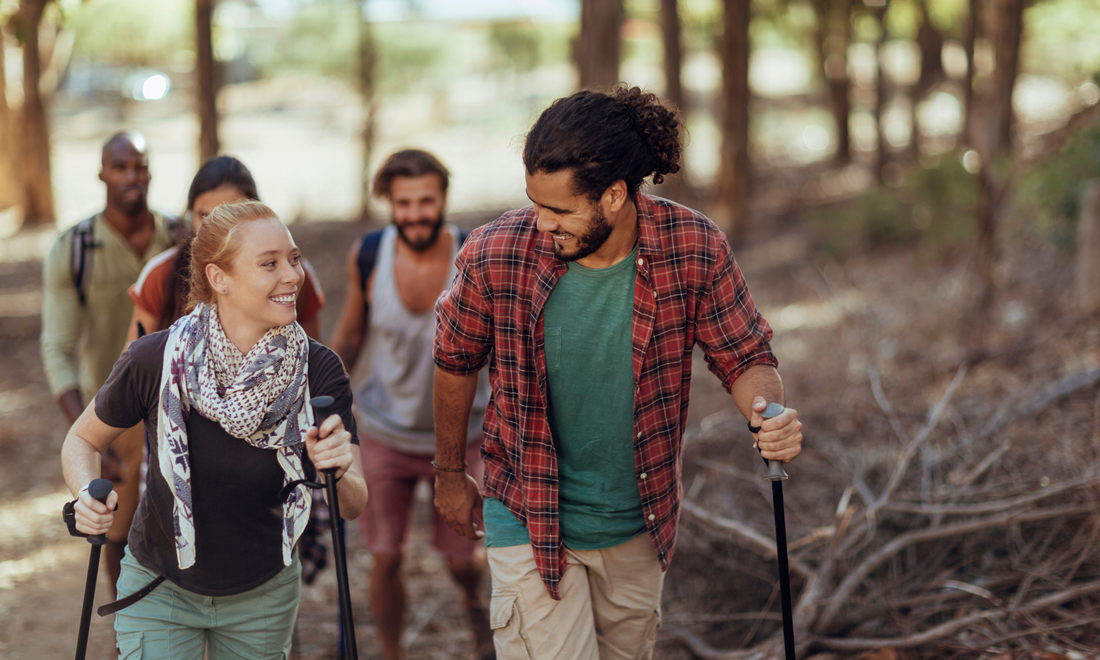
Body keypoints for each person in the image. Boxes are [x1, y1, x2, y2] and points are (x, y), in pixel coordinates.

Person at [432, 86, 804, 659]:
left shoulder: (692, 245)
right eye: (534, 203)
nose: (541, 223)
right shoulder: (494, 253)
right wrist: (450, 473)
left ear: (613, 196)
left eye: (558, 210)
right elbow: (454, 360)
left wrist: (768, 415)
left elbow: (744, 356)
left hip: (638, 519)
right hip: (527, 511)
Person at [61, 201, 367, 659]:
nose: (293, 275)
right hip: (161, 584)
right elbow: (82, 439)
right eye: (269, 264)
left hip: (261, 592)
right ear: (218, 278)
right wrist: (85, 492)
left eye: (294, 258)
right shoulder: (157, 360)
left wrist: (339, 470)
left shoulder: (318, 372)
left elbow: (354, 504)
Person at [328, 149, 494, 660]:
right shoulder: (370, 254)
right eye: (405, 203)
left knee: (464, 560)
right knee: (385, 555)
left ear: (443, 198)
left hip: (467, 435)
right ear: (389, 204)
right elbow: (352, 336)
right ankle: (391, 652)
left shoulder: (474, 253)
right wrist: (325, 400)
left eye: (426, 201)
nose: (416, 213)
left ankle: (477, 613)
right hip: (385, 431)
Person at [41, 131, 178, 598]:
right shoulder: (75, 250)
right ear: (102, 173)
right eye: (120, 167)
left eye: (139, 165)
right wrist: (88, 435)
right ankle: (128, 635)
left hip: (177, 407)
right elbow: (57, 348)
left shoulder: (179, 238)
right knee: (115, 536)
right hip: (112, 417)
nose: (131, 176)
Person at [126, 155, 326, 343]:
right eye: (204, 217)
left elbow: (315, 364)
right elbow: (134, 372)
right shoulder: (161, 274)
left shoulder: (292, 276)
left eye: (229, 217)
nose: (214, 230)